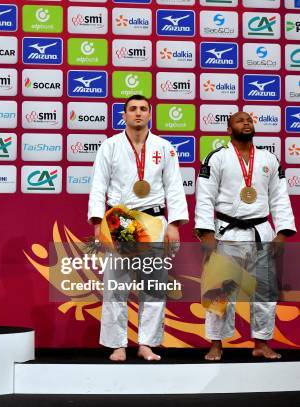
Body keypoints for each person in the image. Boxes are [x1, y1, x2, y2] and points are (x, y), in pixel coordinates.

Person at [88, 95, 188, 361]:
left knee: (153, 285)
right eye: (132, 109)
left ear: (150, 114)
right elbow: (99, 185)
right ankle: (117, 344)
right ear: (124, 115)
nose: (138, 113)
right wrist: (97, 222)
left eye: (143, 109)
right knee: (115, 285)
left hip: (154, 220)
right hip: (120, 219)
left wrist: (175, 224)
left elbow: (174, 187)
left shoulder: (165, 147)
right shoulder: (109, 146)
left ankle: (147, 343)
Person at [195, 111, 296, 361]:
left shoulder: (269, 159)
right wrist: (206, 233)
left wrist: (282, 233)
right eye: (240, 121)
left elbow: (280, 198)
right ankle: (216, 344)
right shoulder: (217, 158)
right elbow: (205, 197)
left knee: (264, 292)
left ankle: (261, 343)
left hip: (261, 233)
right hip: (227, 234)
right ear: (229, 130)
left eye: (250, 120)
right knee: (219, 292)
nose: (246, 123)